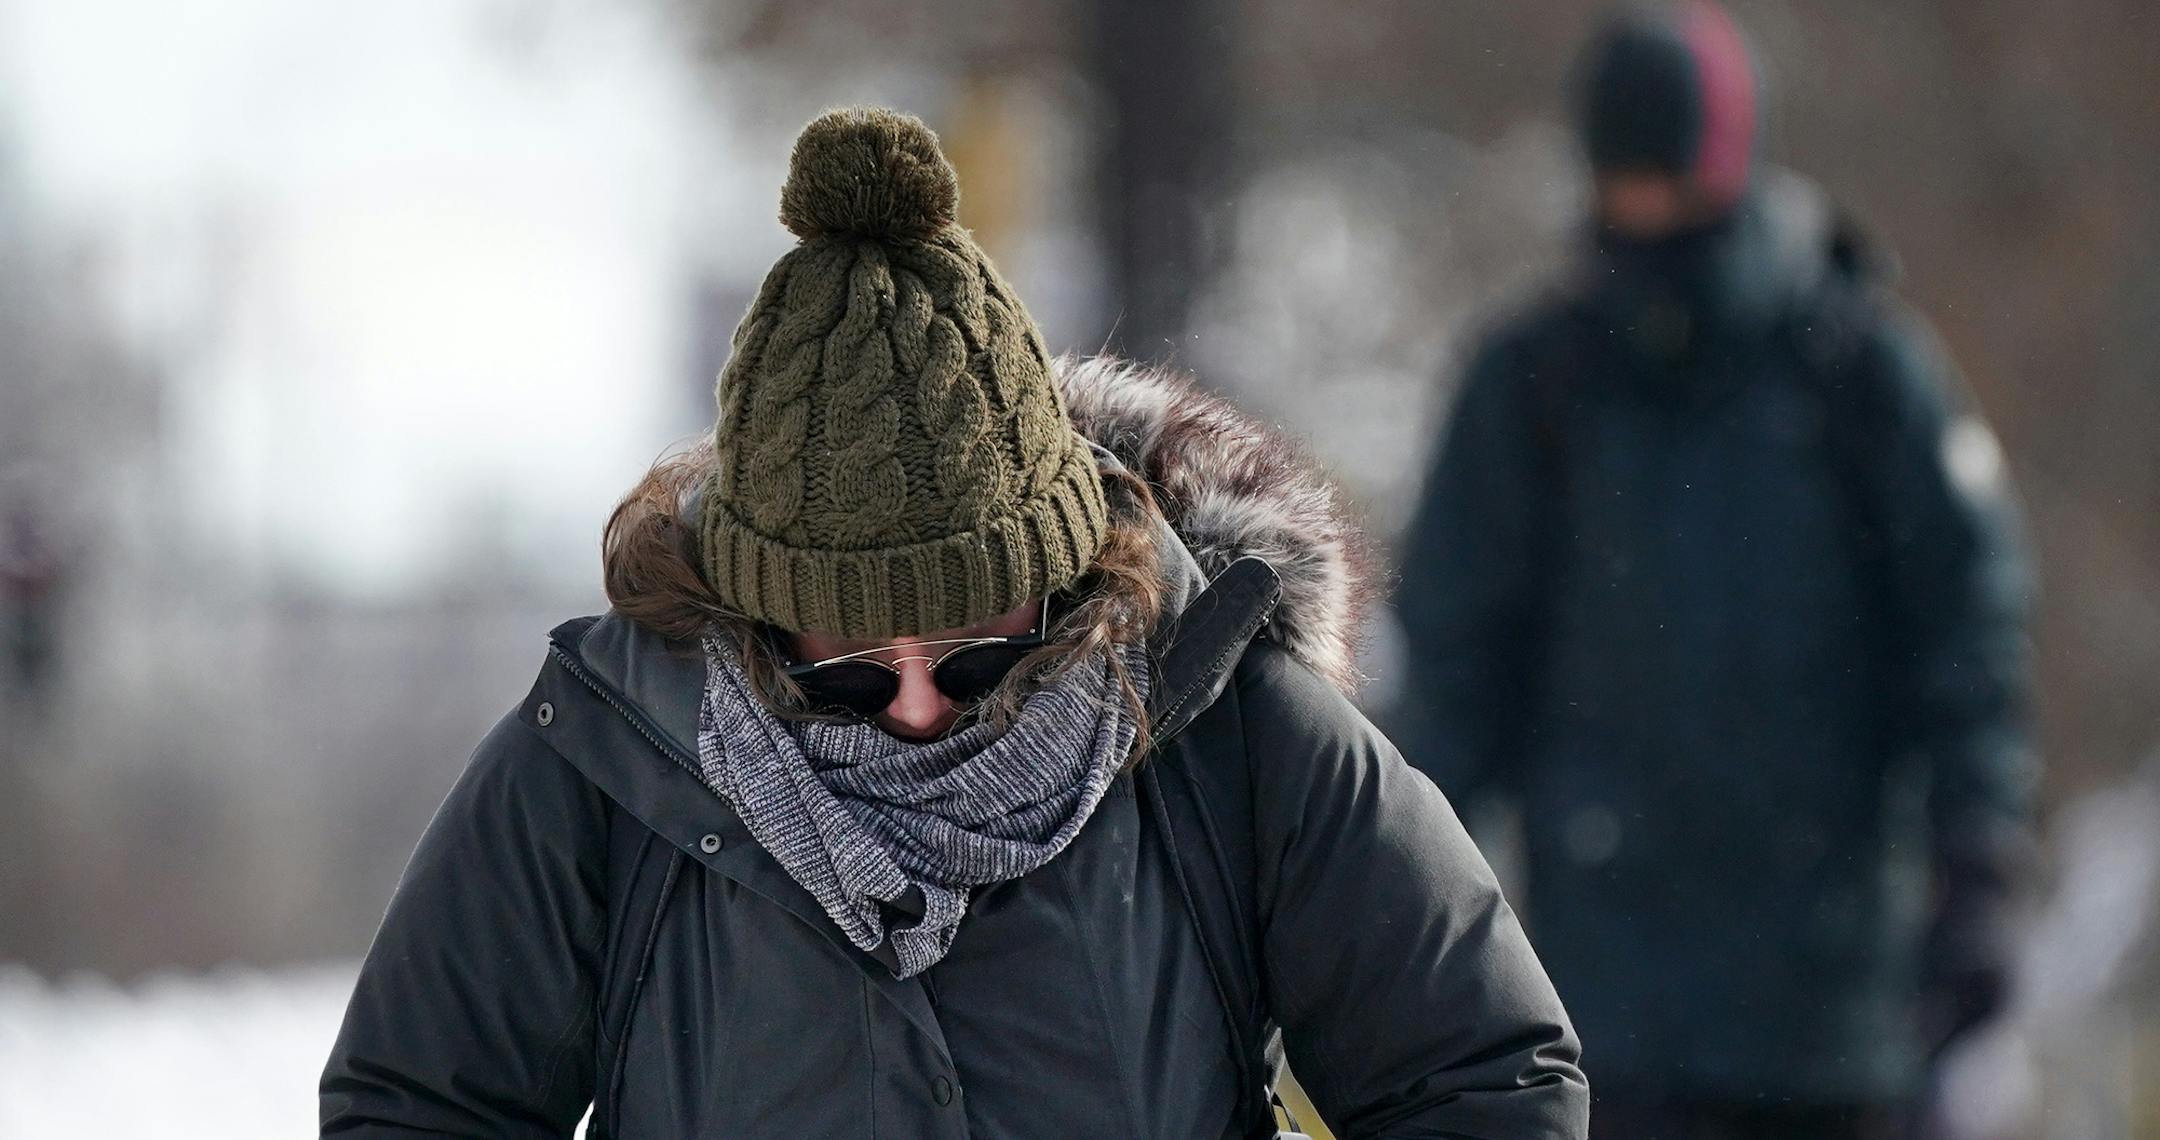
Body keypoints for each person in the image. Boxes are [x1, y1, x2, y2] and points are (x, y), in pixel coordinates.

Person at [321, 107, 1589, 1139]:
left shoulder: (1233, 734)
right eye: (853, 673)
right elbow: (420, 1108)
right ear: (757, 624)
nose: (922, 704)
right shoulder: (603, 761)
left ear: (1067, 585)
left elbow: (1482, 1081)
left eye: (979, 655)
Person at [1395, 5, 2035, 1137]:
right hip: (1607, 1022)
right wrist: (1387, 912)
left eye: (1675, 193)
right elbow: (1452, 681)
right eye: (1625, 191)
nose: (1647, 225)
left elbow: (1969, 636)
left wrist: (1976, 867)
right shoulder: (1533, 392)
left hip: (1841, 1024)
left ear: (1729, 170)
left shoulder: (1860, 376)